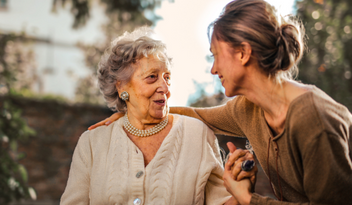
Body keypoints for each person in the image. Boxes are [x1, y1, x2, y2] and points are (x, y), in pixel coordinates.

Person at [88, 0, 352, 204]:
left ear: (243, 53)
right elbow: (197, 115)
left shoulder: (313, 119)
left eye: (216, 55)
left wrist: (249, 199)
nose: (213, 69)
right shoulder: (248, 109)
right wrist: (134, 113)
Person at [61, 27, 257, 205]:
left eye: (167, 78)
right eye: (152, 77)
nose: (164, 88)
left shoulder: (197, 134)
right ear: (121, 86)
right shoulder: (92, 143)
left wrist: (242, 188)